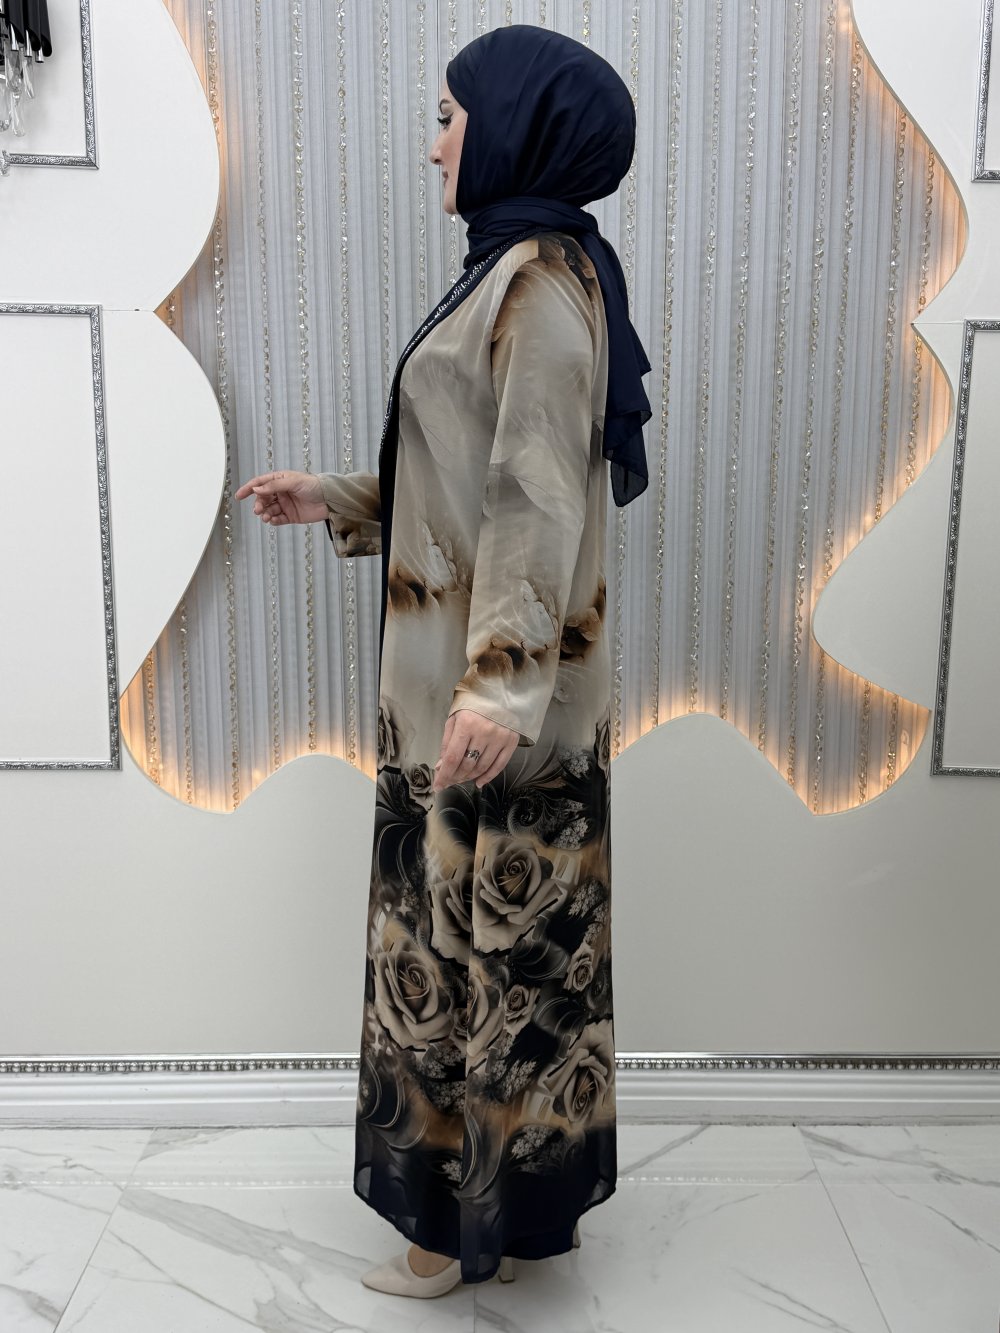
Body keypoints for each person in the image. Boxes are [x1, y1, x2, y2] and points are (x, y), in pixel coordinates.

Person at [236, 22, 650, 1297]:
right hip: (464, 698)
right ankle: (492, 1226)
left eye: (447, 119)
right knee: (480, 959)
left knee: (478, 966)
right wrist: (338, 497)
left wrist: (501, 688)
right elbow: (461, 477)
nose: (433, 148)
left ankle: (452, 1233)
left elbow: (536, 501)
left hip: (487, 715)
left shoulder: (537, 287)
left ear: (516, 125)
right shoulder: (514, 271)